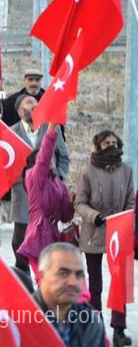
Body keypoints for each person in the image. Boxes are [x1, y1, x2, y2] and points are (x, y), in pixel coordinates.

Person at [74, 130, 134, 345]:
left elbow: (130, 202)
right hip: (94, 233)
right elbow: (79, 202)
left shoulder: (126, 171)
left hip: (119, 233)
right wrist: (94, 216)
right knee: (95, 285)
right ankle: (95, 329)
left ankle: (119, 330)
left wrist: (126, 220)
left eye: (113, 142)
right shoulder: (87, 172)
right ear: (98, 145)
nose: (110, 145)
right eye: (106, 142)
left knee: (119, 284)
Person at [9, 94, 69, 275]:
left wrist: (56, 177)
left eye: (37, 103)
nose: (35, 106)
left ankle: (45, 280)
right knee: (20, 241)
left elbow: (64, 156)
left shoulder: (52, 129)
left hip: (48, 198)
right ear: (20, 111)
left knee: (45, 243)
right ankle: (24, 280)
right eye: (30, 104)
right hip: (22, 195)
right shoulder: (11, 132)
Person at [18, 128, 76, 279]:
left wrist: (69, 203)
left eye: (52, 158)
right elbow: (43, 156)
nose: (51, 159)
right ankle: (42, 303)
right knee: (44, 280)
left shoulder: (58, 183)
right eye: (47, 158)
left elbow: (64, 216)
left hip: (53, 234)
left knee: (54, 280)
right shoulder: (33, 176)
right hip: (38, 234)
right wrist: (51, 129)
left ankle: (50, 304)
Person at [33, 243, 105, 347]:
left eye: (79, 275)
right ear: (42, 275)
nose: (73, 282)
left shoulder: (90, 319)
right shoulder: (18, 320)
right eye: (63, 273)